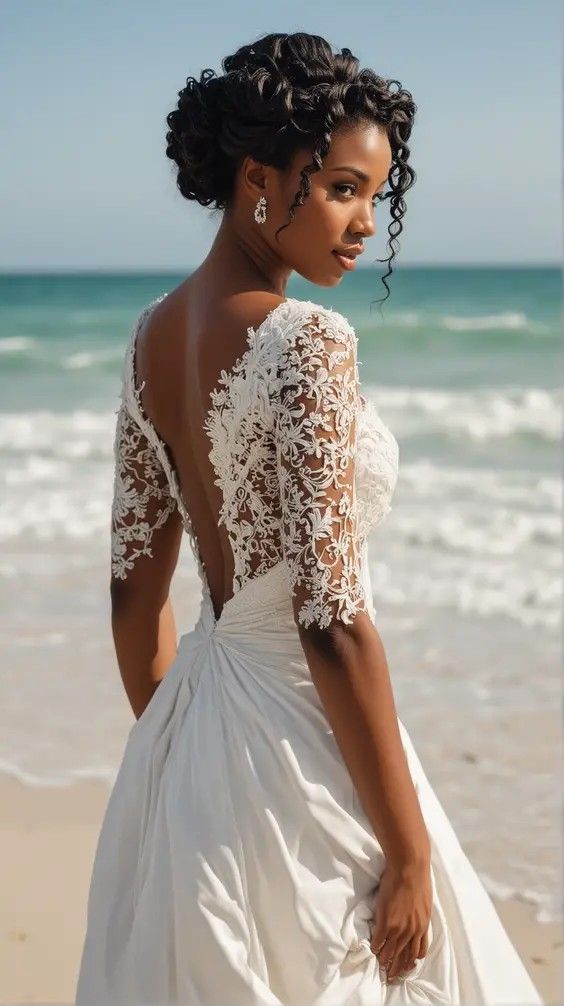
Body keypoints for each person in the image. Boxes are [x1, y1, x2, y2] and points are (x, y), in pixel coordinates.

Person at [75, 31, 544, 1005]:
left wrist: (182, 756)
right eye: (339, 187)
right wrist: (409, 853)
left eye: (376, 194)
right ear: (258, 178)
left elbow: (132, 590)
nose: (367, 222)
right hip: (301, 730)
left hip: (198, 720)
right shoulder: (309, 341)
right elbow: (330, 617)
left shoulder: (148, 338)